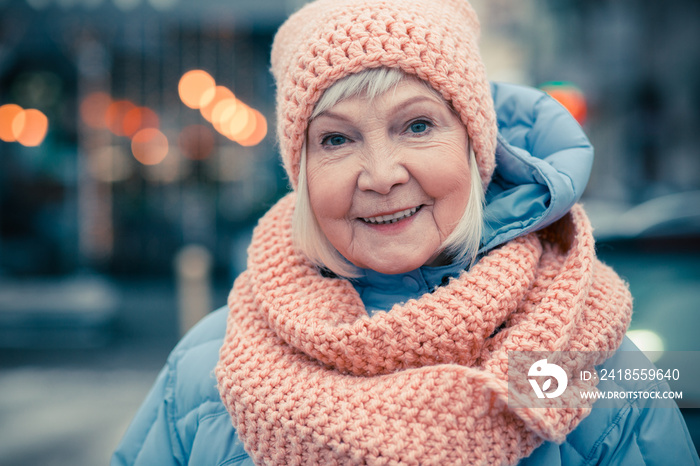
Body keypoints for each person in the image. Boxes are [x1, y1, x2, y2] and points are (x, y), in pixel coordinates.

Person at [112, 0, 700, 464]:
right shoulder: (206, 369)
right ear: (303, 173)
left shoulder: (583, 363)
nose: (382, 175)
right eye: (336, 139)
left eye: (417, 125)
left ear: (476, 149)